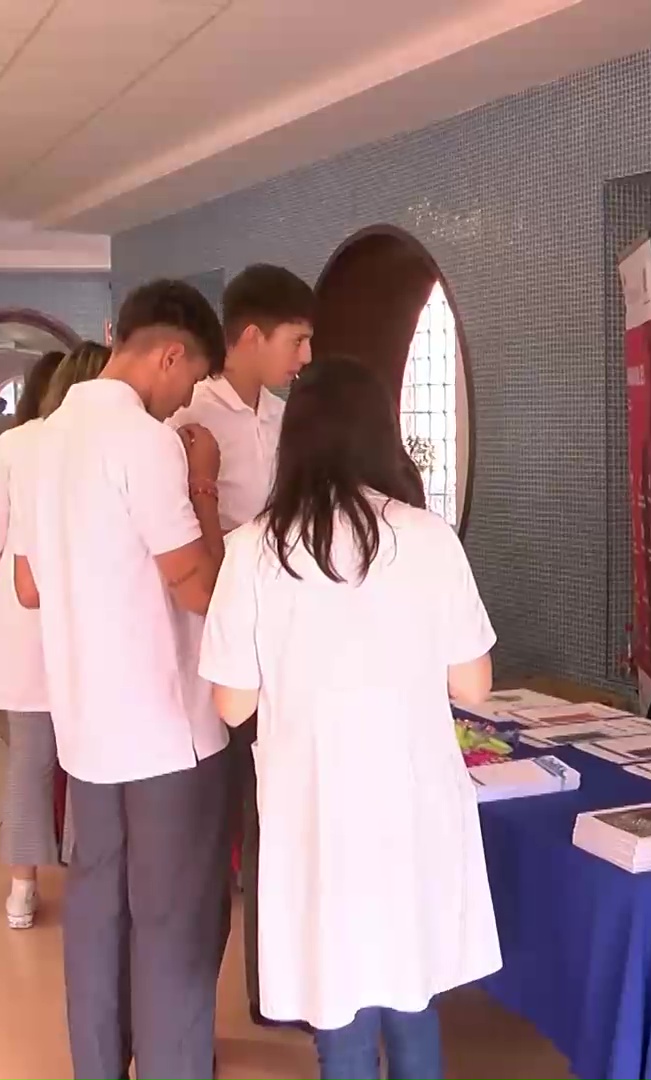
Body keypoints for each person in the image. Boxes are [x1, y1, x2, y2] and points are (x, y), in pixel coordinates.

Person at [201, 356, 501, 1080]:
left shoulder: (251, 551)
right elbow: (475, 686)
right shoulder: (429, 537)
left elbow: (231, 703)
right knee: (410, 992)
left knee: (336, 1004)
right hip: (411, 807)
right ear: (381, 437)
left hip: (316, 812)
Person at [11, 280, 228, 1080]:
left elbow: (30, 588)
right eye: (191, 378)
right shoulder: (145, 442)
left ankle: (99, 1066)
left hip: (86, 721)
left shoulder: (39, 441)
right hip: (167, 727)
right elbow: (197, 586)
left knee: (97, 908)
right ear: (169, 353)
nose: (184, 400)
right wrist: (204, 481)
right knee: (172, 916)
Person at [164, 262, 314, 1027]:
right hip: (208, 640)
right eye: (297, 338)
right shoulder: (190, 418)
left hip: (281, 644)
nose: (304, 356)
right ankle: (188, 1014)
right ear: (250, 335)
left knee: (272, 819)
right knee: (203, 833)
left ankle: (270, 989)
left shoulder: (287, 418)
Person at [0, 344, 106, 931]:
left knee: (30, 761)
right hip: (95, 628)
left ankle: (23, 888)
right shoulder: (109, 443)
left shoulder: (15, 445)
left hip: (26, 632)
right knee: (90, 761)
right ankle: (87, 879)